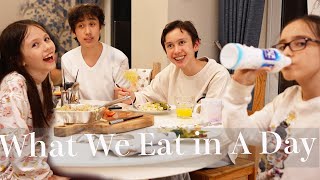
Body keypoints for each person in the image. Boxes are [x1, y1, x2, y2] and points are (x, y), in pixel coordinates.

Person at [223, 14, 320, 179]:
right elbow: (239, 133)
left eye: (299, 43)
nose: (287, 52)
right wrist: (239, 87)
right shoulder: (286, 99)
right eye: (283, 46)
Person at [0, 20, 68, 179]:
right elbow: (17, 147)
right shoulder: (14, 87)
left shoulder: (44, 79)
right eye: (35, 45)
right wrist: (47, 176)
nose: (47, 47)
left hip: (35, 165)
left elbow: (47, 131)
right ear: (19, 59)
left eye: (46, 39)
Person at [116, 20, 230, 105]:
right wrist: (131, 97)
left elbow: (211, 118)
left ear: (196, 45)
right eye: (170, 45)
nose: (176, 51)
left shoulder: (218, 75)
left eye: (181, 42)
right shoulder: (171, 71)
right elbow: (147, 96)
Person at [61, 3, 129, 101]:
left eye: (92, 24)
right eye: (81, 26)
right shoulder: (68, 59)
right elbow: (70, 100)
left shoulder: (119, 58)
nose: (88, 31)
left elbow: (123, 100)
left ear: (100, 27)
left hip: (110, 114)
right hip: (80, 114)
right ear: (73, 32)